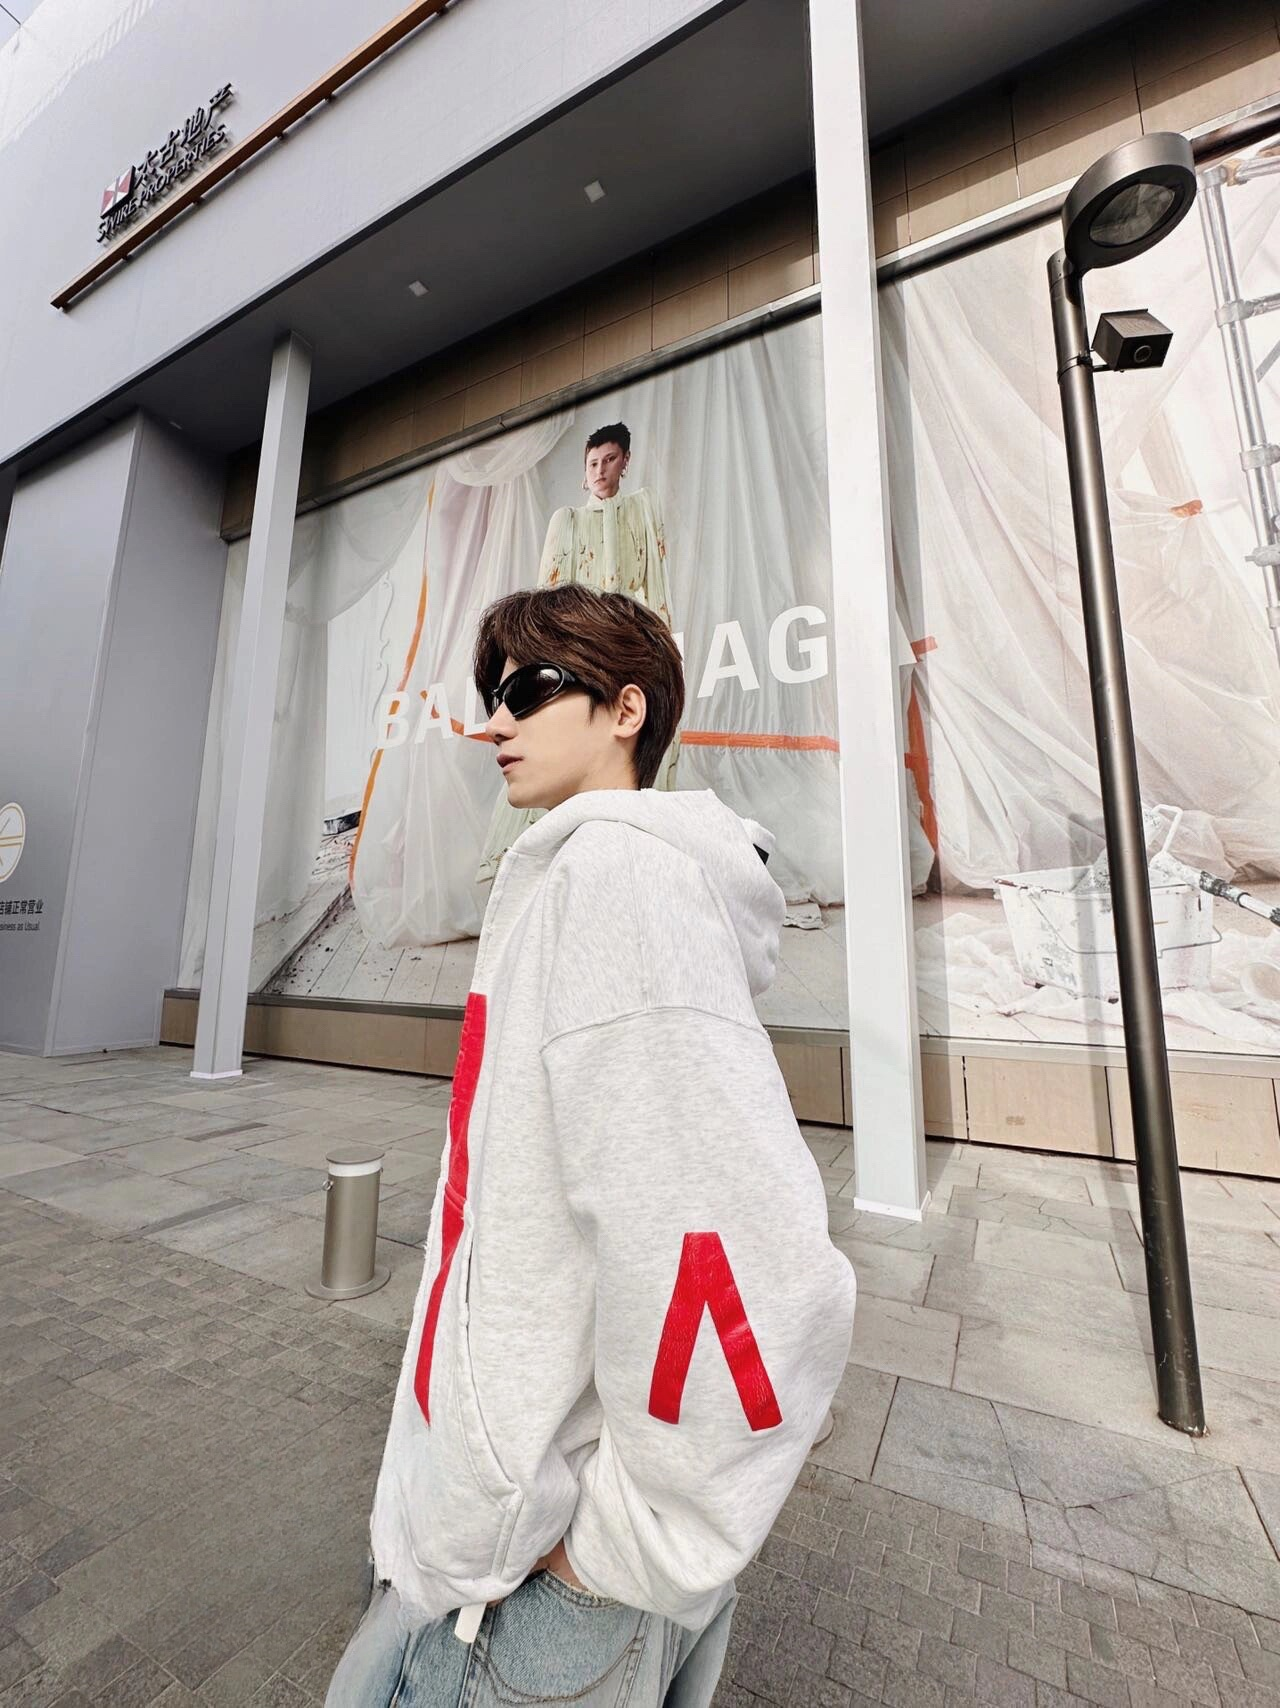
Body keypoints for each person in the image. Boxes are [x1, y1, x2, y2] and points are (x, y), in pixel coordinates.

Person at [327, 583, 857, 1708]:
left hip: (536, 1598)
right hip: (493, 1547)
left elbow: (741, 1269)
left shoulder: (619, 880)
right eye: (491, 693)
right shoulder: (578, 876)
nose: (494, 721)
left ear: (626, 709)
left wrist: (616, 1555)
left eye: (528, 689)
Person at [476, 422, 679, 884]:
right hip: (577, 666)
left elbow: (658, 590)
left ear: (625, 461)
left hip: (631, 664)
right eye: (592, 463)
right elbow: (543, 616)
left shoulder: (642, 510)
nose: (601, 470)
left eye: (610, 460)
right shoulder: (567, 522)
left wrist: (660, 659)